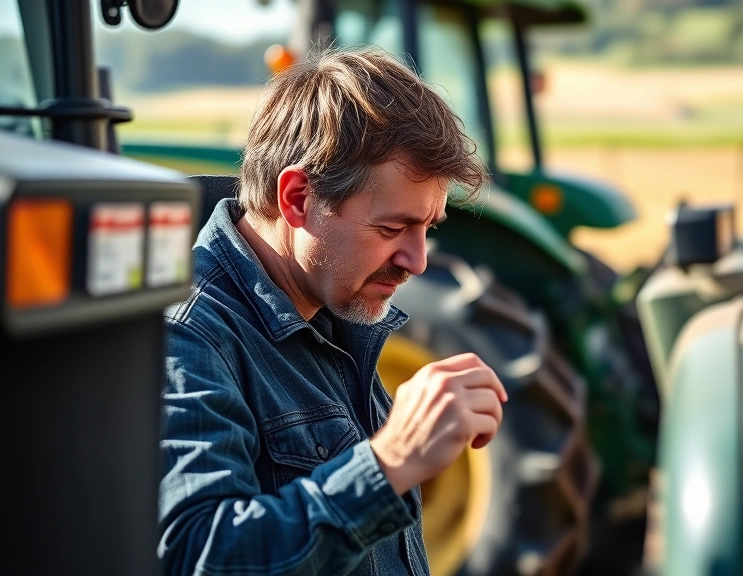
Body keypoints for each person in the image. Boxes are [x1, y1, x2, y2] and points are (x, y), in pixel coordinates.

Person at [159, 47, 504, 575]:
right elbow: (200, 556)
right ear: (297, 199)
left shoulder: (333, 302)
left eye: (427, 227)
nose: (417, 260)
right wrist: (390, 462)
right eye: (392, 229)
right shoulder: (188, 337)